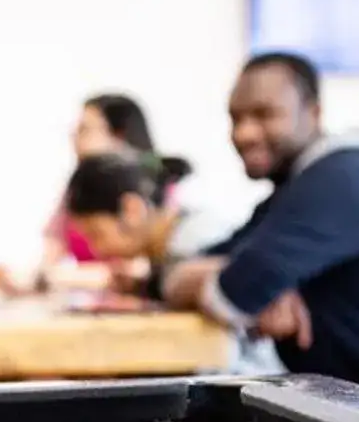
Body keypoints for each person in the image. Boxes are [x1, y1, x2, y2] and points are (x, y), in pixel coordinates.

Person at [161, 54, 359, 413]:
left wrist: (230, 280)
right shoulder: (294, 191)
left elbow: (230, 295)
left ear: (313, 112)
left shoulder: (339, 181)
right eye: (236, 118)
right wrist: (238, 279)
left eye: (264, 114)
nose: (244, 133)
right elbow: (185, 271)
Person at [62, 152, 280, 374]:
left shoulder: (195, 238)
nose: (96, 249)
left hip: (249, 380)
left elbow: (216, 337)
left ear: (132, 209)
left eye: (96, 234)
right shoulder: (172, 243)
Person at [0, 93, 178, 296]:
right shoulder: (76, 195)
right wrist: (23, 279)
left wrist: (55, 277)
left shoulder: (154, 194)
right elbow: (48, 259)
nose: (74, 138)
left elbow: (141, 272)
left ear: (119, 135)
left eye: (84, 130)